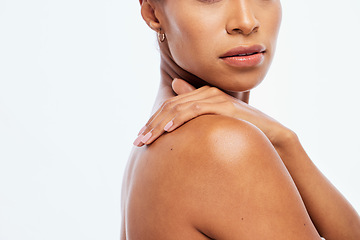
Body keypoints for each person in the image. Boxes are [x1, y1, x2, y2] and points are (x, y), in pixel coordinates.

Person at [121, 0, 360, 239]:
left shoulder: (161, 144)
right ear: (152, 12)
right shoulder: (221, 144)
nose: (246, 22)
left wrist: (285, 142)